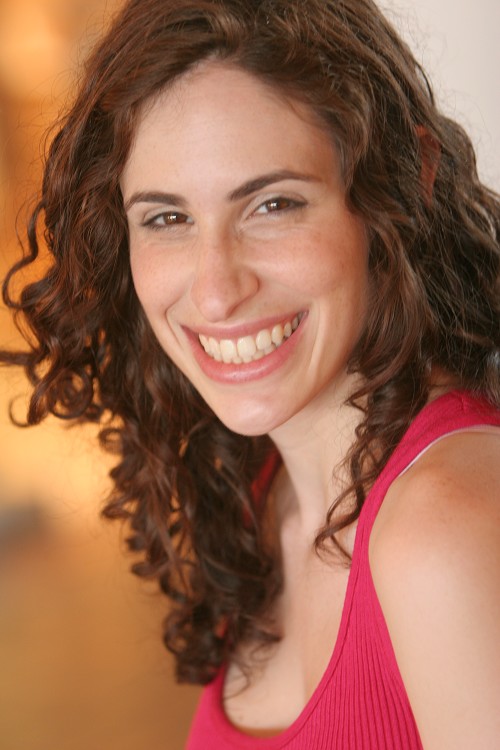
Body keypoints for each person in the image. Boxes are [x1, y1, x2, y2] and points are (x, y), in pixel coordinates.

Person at [2, 0, 499, 747]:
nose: (214, 292)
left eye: (273, 204)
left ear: (408, 179)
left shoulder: (447, 526)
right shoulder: (264, 496)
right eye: (167, 218)